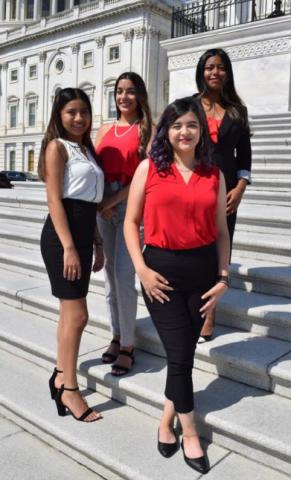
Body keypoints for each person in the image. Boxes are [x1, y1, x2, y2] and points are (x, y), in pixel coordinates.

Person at [124, 97, 230, 474]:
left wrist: (223, 277)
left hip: (202, 273)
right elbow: (130, 223)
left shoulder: (213, 175)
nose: (184, 132)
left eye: (191, 125)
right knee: (179, 354)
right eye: (176, 125)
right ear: (165, 132)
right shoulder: (148, 168)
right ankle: (190, 432)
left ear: (201, 131)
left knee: (182, 354)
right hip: (160, 275)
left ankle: (165, 419)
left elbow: (221, 232)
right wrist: (141, 269)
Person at [39, 88, 104, 422]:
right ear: (59, 115)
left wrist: (97, 243)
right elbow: (55, 201)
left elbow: (89, 203)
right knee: (78, 316)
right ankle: (69, 390)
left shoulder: (86, 150)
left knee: (70, 314)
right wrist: (68, 247)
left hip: (82, 234)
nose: (79, 118)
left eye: (84, 112)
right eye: (71, 112)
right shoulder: (57, 147)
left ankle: (60, 376)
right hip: (61, 238)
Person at [95, 71, 154, 376]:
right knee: (108, 278)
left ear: (139, 95)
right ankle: (116, 335)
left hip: (132, 208)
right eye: (119, 91)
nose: (124, 97)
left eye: (130, 91)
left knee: (123, 276)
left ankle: (129, 345)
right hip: (104, 207)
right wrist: (100, 203)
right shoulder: (104, 129)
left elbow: (146, 178)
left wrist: (112, 201)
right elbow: (95, 170)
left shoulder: (148, 130)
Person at [194, 48, 252, 341]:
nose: (215, 72)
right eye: (209, 67)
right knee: (195, 248)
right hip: (193, 188)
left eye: (220, 68)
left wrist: (240, 188)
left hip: (226, 191)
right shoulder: (189, 107)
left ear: (227, 73)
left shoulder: (236, 111)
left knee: (220, 251)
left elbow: (245, 156)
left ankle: (210, 312)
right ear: (201, 72)